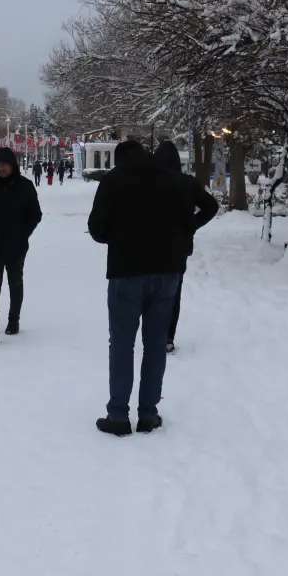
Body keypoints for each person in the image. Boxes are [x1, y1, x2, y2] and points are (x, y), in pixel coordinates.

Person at [87, 140, 193, 436]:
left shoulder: (114, 179)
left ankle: (118, 415)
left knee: (122, 343)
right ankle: (148, 414)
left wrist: (119, 236)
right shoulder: (171, 179)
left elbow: (97, 228)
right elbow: (188, 221)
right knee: (156, 344)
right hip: (167, 271)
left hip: (126, 271)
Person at [153, 141, 220, 354]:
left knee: (151, 291)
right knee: (173, 292)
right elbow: (211, 206)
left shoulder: (149, 182)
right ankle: (168, 337)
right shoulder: (188, 183)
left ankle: (152, 333)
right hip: (179, 245)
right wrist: (193, 224)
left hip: (150, 245)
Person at [0, 146, 42, 341]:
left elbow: (35, 214)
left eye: (6, 165)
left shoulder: (25, 186)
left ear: (13, 166)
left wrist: (23, 234)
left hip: (16, 246)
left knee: (15, 284)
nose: (2, 169)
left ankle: (14, 320)